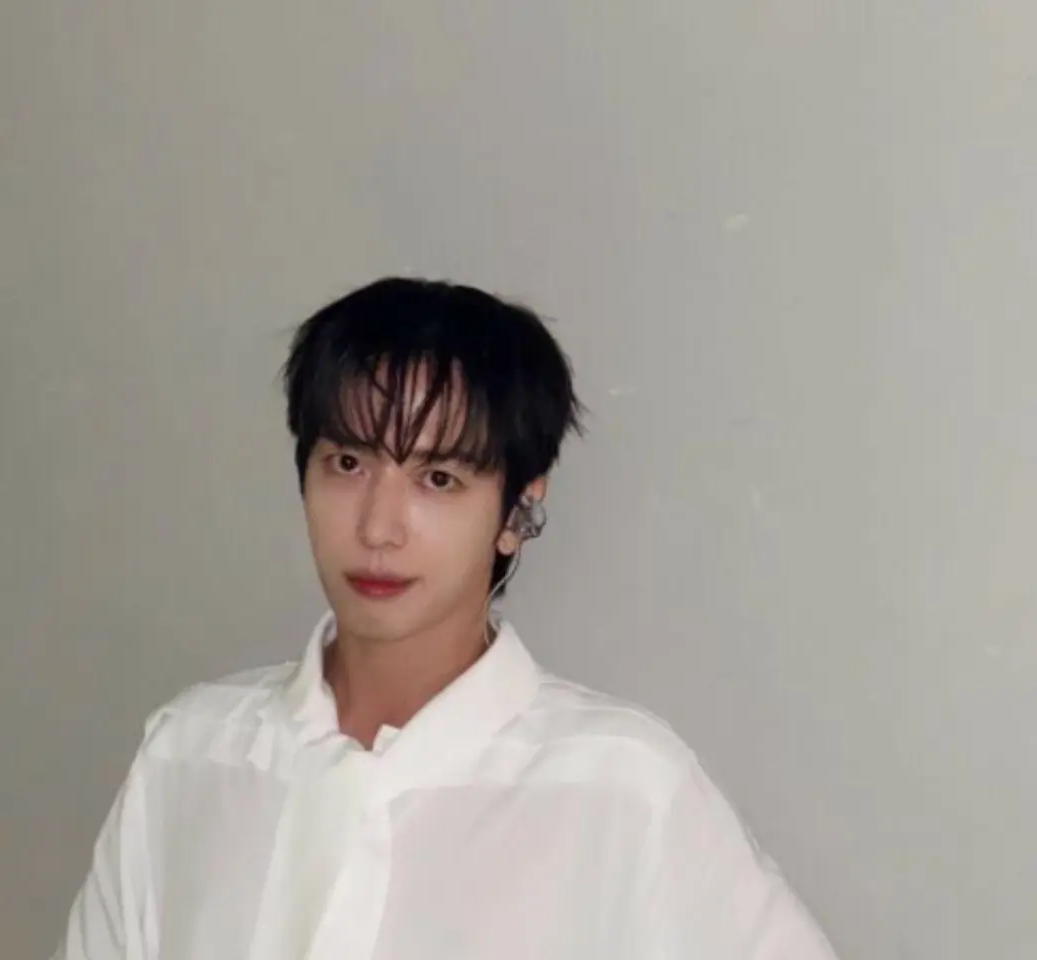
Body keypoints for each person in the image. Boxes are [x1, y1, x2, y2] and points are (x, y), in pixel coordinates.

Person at [53, 278, 838, 959]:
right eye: (348, 464)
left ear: (517, 508)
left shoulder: (617, 786)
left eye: (437, 478)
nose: (378, 527)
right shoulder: (192, 756)